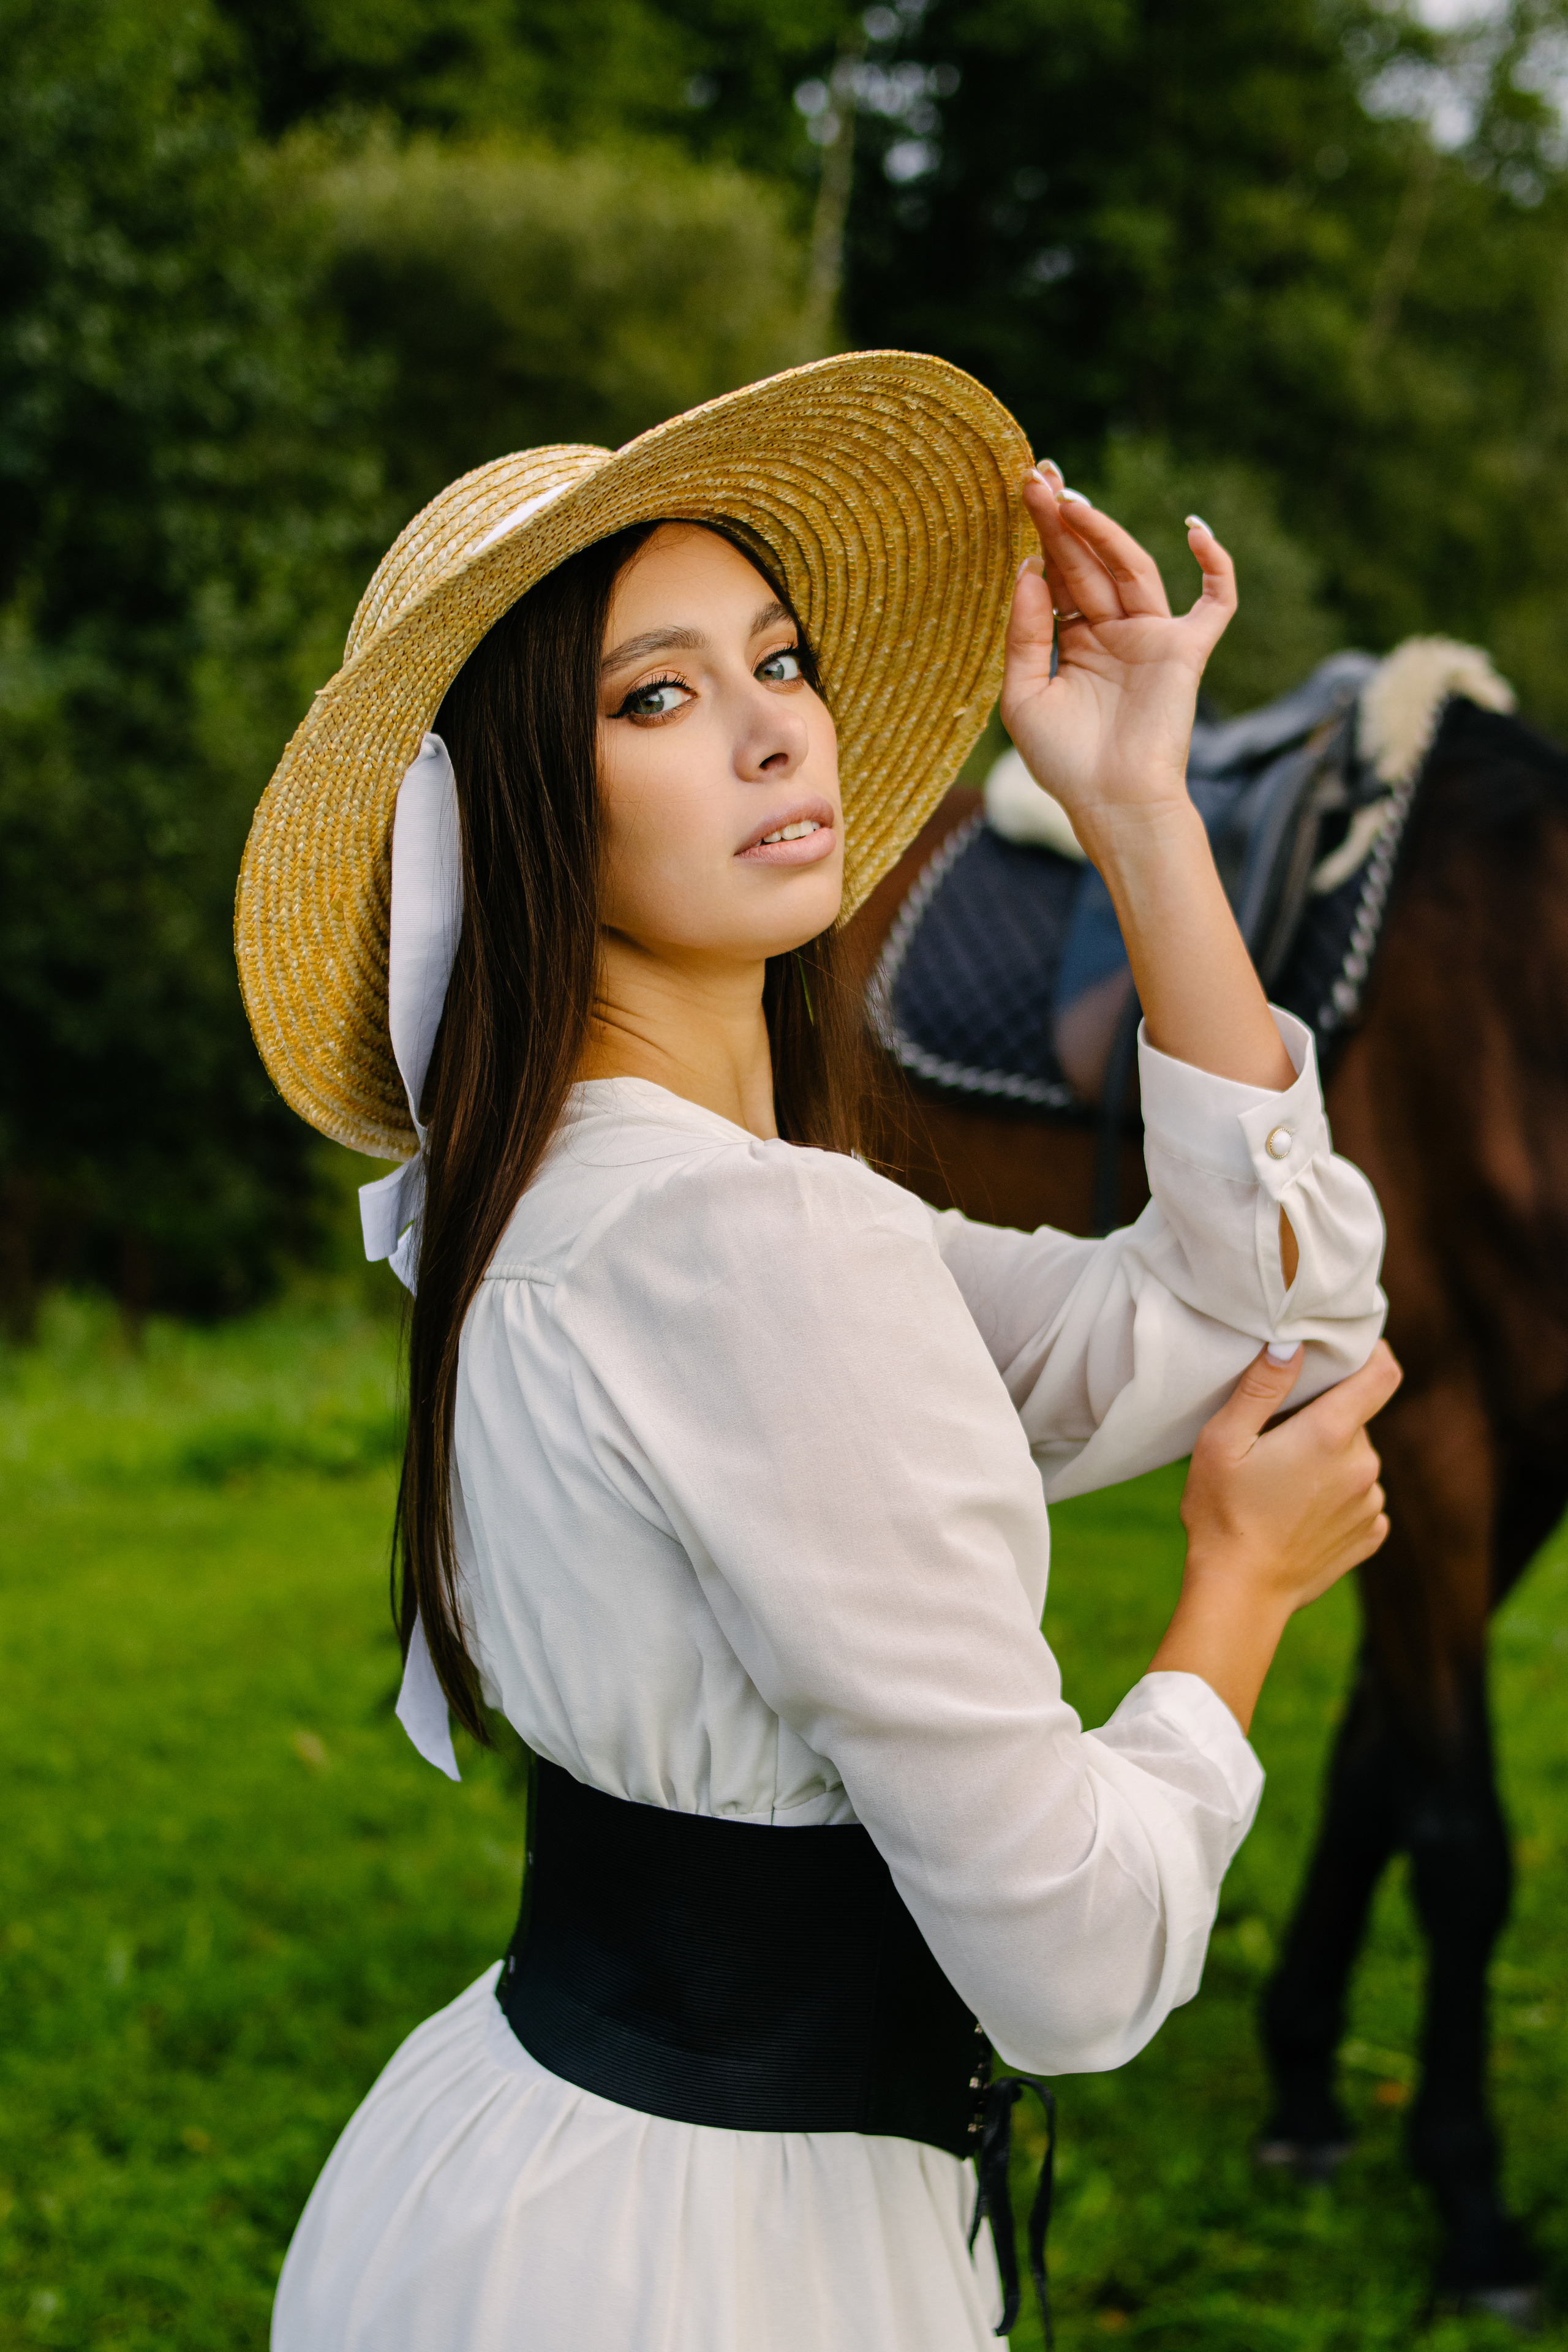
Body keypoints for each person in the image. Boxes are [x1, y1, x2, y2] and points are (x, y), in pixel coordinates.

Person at [236, 353, 1395, 2352]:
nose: (776, 730)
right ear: (523, 801)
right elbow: (1074, 1965)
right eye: (660, 696)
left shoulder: (585, 1198)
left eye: (781, 661)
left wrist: (1137, 807)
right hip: (709, 2270)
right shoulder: (752, 1250)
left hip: (513, 2179)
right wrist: (1238, 1598)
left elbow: (1254, 1313)